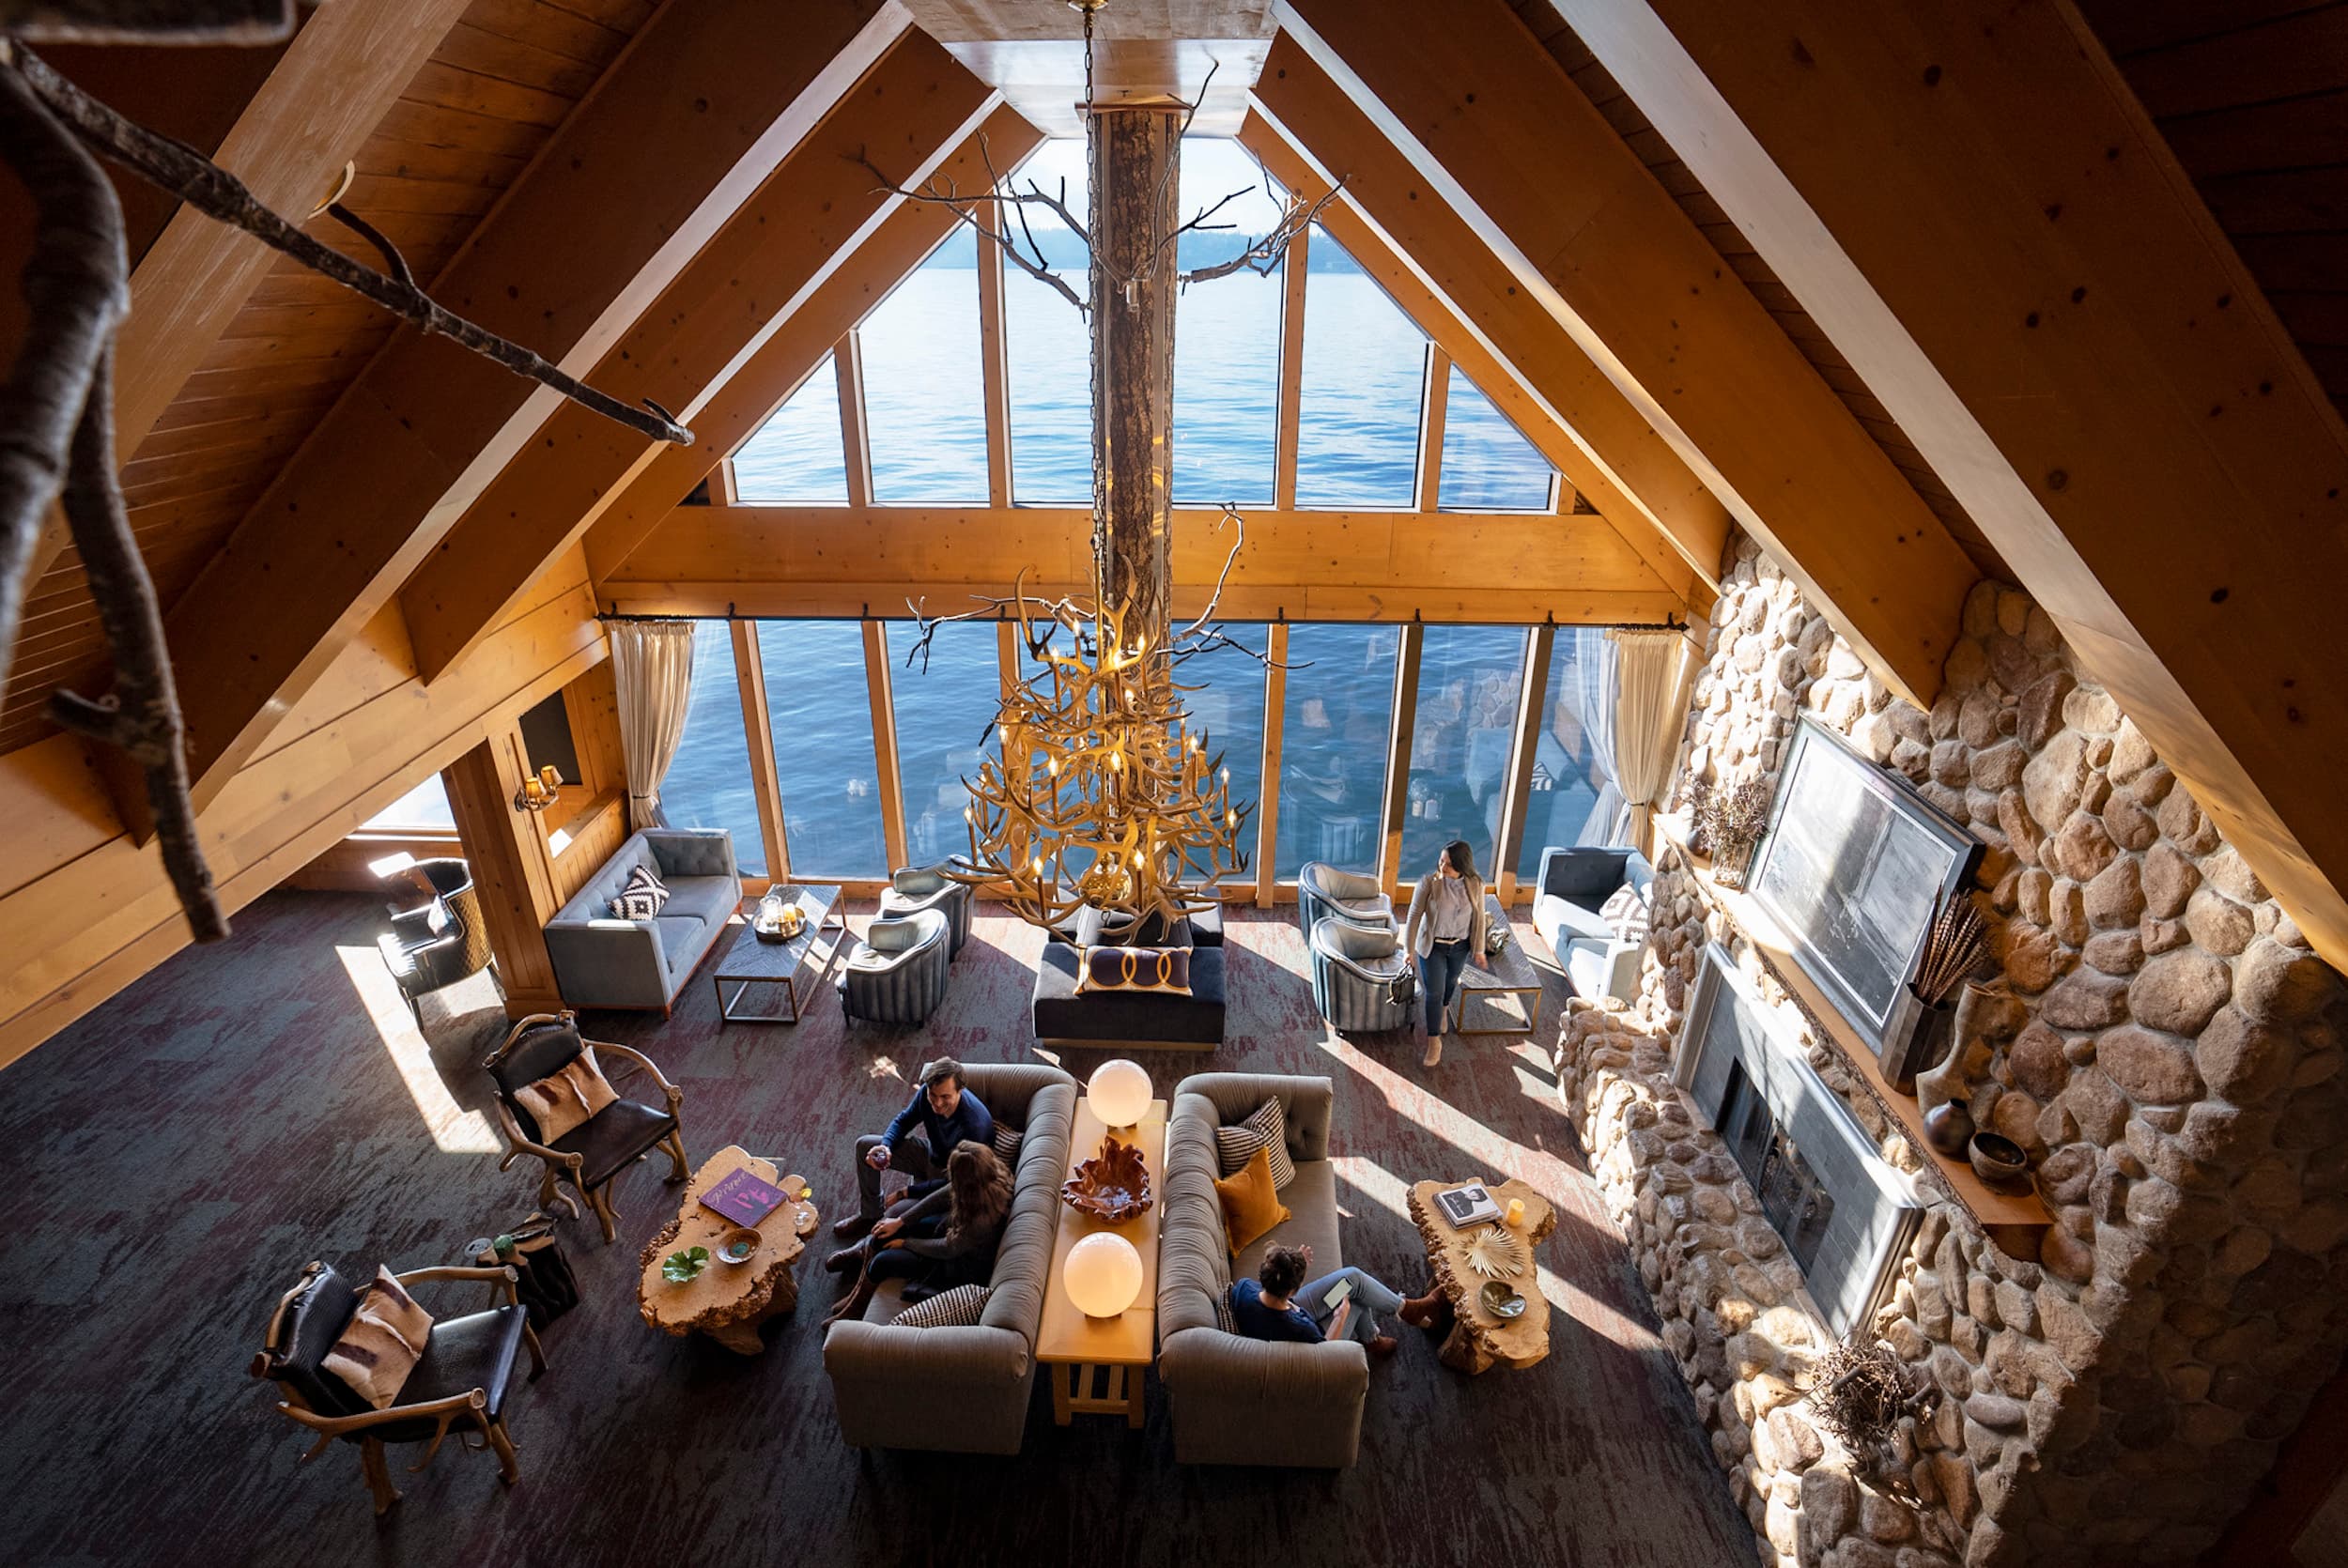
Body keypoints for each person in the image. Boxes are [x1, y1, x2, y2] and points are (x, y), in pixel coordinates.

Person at [822, 1143, 1015, 1325]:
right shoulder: (985, 1178)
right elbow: (942, 1194)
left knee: (882, 1262)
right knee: (884, 1233)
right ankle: (857, 1292)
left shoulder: (981, 1220)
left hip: (953, 1266)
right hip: (950, 1231)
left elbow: (948, 1249)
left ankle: (857, 1307)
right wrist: (901, 1221)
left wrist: (906, 1243)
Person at [836, 1056, 994, 1240]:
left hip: (952, 1179)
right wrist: (886, 1146)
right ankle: (870, 1214)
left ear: (961, 1090)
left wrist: (906, 1192)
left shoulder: (974, 1127)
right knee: (865, 1145)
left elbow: (956, 1184)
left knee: (893, 1216)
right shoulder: (927, 1092)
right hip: (931, 1154)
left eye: (945, 1097)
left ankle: (863, 1248)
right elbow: (903, 1121)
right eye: (933, 1095)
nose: (937, 1103)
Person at [1228, 1243, 1441, 1358]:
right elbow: (1323, 1355)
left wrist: (1293, 1267)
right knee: (1356, 1302)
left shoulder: (1245, 1288)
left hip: (1292, 1306)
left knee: (1353, 1280)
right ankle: (1371, 1338)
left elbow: (1272, 1292)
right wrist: (1340, 1317)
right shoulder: (1299, 1329)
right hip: (1317, 1328)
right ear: (1292, 1290)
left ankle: (1407, 1309)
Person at [1403, 838, 1491, 1068]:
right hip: (1433, 947)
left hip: (1460, 946)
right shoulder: (1429, 883)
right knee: (1434, 992)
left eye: (1449, 864)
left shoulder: (1476, 884)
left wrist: (1479, 949)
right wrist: (1408, 950)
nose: (1442, 867)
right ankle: (1434, 1042)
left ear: (1462, 865)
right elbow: (1413, 916)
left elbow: (1479, 918)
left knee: (1451, 981)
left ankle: (1444, 1009)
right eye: (1441, 861)